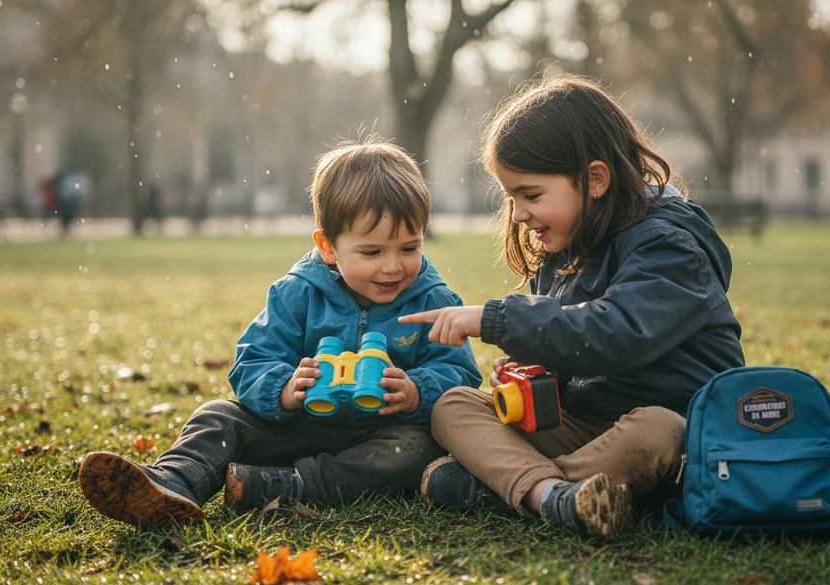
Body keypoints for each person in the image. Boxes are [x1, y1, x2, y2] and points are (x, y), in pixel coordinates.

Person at [399, 74, 745, 538]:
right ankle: (557, 497)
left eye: (531, 195)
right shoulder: (566, 245)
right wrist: (527, 369)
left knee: (659, 429)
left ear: (595, 179)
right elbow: (568, 342)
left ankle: (513, 487)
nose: (518, 214)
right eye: (511, 197)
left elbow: (616, 335)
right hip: (586, 422)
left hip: (670, 430)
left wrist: (497, 318)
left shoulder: (670, 248)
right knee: (453, 405)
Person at [78, 137, 482, 528]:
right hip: (296, 427)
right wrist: (284, 390)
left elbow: (461, 376)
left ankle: (288, 485)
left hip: (379, 435)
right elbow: (252, 359)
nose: (393, 267)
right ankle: (173, 482)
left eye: (409, 249)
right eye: (372, 252)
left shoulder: (434, 301)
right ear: (328, 247)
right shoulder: (297, 293)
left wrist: (416, 392)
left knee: (416, 450)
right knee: (218, 416)